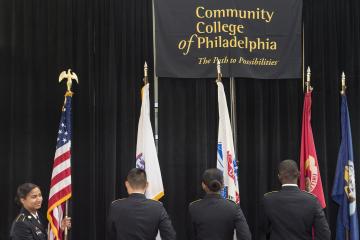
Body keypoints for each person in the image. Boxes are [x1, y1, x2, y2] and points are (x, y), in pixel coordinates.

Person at [261, 159, 331, 240]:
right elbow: (325, 235)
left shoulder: (268, 200)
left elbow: (263, 229)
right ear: (299, 174)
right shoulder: (312, 201)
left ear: (279, 177)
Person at [107, 168, 176, 240]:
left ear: (127, 184)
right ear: (147, 185)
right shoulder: (157, 207)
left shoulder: (115, 206)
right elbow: (170, 236)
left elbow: (111, 235)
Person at [188, 168, 251, 240]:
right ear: (223, 185)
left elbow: (189, 235)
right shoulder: (233, 207)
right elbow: (245, 237)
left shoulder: (193, 207)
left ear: (203, 185)